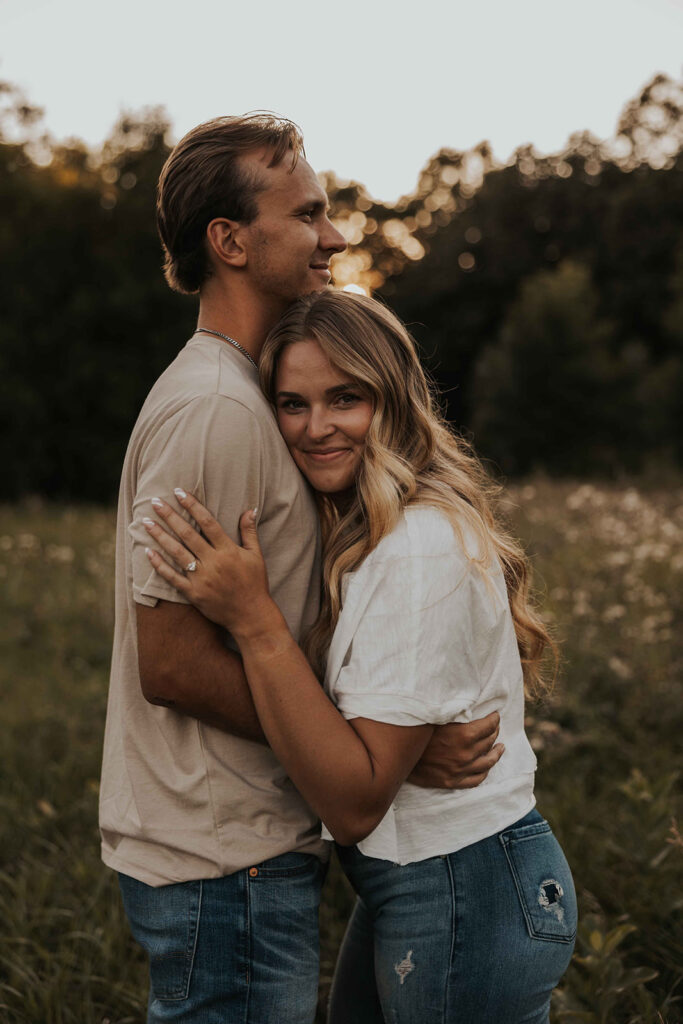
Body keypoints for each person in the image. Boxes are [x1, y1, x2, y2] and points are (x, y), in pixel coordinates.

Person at [99, 114, 505, 1024]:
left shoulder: (248, 395)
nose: (332, 236)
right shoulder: (217, 411)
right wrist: (380, 755)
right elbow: (170, 662)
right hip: (221, 857)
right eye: (308, 215)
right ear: (230, 241)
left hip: (242, 852)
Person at [144, 289, 577, 1024]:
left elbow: (351, 802)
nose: (316, 429)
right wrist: (411, 750)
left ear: (395, 399)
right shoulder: (369, 535)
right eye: (292, 403)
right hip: (425, 886)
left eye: (345, 398)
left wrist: (254, 623)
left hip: (463, 888)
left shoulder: (418, 547)